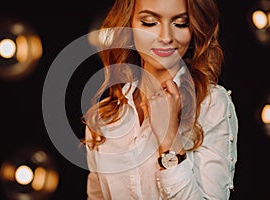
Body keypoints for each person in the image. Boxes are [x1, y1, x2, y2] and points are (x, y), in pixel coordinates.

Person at [82, 0, 238, 199]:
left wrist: (169, 142)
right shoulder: (104, 118)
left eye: (180, 23)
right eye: (149, 22)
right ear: (129, 25)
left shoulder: (211, 104)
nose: (166, 37)